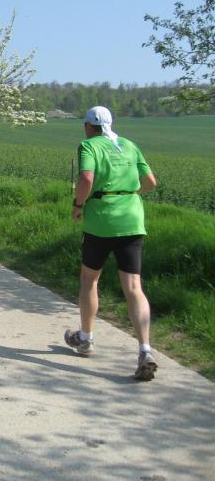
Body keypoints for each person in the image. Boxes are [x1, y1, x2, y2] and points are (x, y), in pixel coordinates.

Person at [65, 106, 158, 381]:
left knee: (89, 279)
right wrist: (129, 195)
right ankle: (145, 349)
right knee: (133, 287)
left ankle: (86, 339)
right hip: (132, 219)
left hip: (101, 221)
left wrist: (78, 205)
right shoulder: (129, 145)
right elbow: (150, 182)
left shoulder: (89, 145)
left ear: (88, 126)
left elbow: (86, 178)